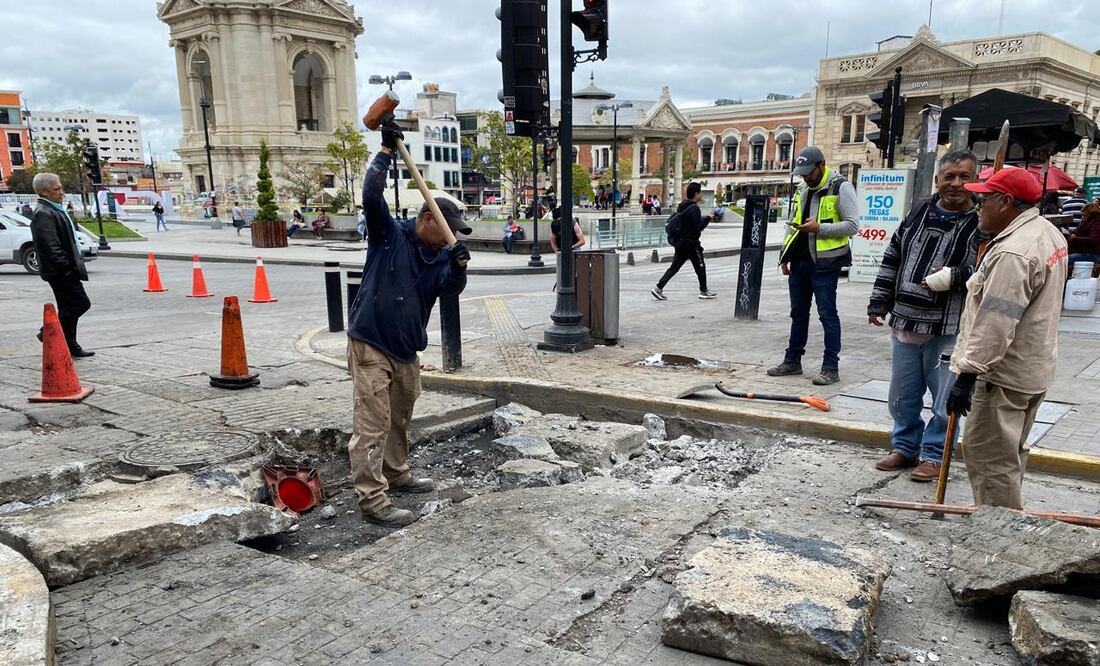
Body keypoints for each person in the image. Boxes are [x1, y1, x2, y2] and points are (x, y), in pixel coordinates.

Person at [348, 120, 471, 528]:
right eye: (449, 231)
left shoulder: (438, 258)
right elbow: (370, 195)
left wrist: (459, 267)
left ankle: (397, 474)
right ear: (427, 219)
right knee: (373, 421)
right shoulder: (390, 236)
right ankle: (372, 499)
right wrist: (384, 152)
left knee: (399, 416)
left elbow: (449, 290)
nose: (450, 238)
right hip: (370, 342)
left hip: (406, 348)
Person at [946, 168, 1068, 509]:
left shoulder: (1013, 253)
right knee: (1008, 453)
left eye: (982, 200)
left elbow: (996, 323)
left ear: (1006, 201)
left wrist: (966, 377)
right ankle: (1007, 522)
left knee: (990, 459)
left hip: (1001, 375)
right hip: (1032, 367)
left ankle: (998, 535)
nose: (976, 206)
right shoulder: (1046, 232)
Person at [867, 149, 981, 481]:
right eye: (949, 176)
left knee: (946, 399)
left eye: (964, 177)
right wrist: (878, 302)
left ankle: (934, 454)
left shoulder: (980, 223)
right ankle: (904, 447)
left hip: (947, 326)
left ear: (975, 181)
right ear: (938, 180)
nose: (956, 184)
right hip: (904, 320)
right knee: (902, 394)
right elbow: (893, 257)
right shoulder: (918, 213)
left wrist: (955, 277)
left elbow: (985, 269)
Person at [767, 146, 859, 386]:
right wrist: (784, 256)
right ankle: (792, 360)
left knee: (827, 314)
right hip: (800, 261)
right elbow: (792, 224)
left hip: (825, 263)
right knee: (798, 314)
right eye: (802, 173)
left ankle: (831, 367)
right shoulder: (802, 188)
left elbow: (852, 226)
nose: (806, 177)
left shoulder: (841, 187)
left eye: (809, 172)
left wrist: (820, 228)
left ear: (821, 165)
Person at [29, 173, 93, 358]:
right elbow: (51, 246)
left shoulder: (53, 209)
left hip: (64, 269)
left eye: (61, 188)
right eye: (57, 189)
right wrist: (65, 268)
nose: (62, 192)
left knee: (67, 306)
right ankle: (48, 332)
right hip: (61, 272)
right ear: (44, 192)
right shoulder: (43, 213)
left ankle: (70, 344)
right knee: (81, 303)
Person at [651, 182, 716, 300]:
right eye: (700, 192)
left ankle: (658, 287)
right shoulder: (694, 208)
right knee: (700, 266)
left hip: (681, 243)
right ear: (696, 193)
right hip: (691, 244)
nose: (701, 194)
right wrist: (708, 219)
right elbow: (698, 227)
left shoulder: (683, 206)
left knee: (674, 267)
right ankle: (703, 290)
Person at [1066, 202, 1100, 273]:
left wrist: (1075, 238)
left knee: (1067, 259)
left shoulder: (1097, 223)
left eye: (1084, 215)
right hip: (1084, 251)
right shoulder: (1086, 221)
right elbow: (1078, 232)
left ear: (1090, 214)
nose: (1083, 217)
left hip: (1094, 254)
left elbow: (1093, 240)